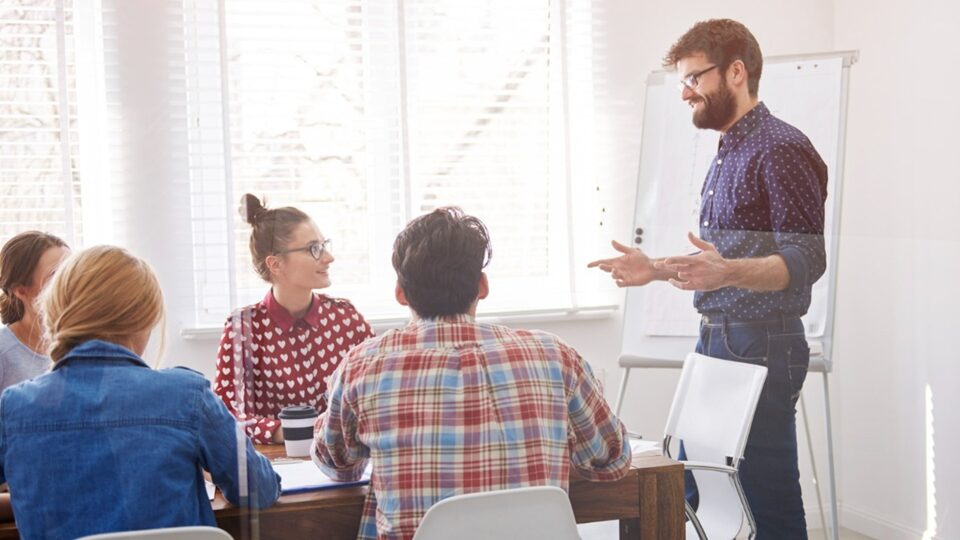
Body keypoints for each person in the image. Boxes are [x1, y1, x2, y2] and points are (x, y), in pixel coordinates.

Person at [588, 19, 827, 539]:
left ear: (736, 72)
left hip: (762, 342)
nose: (684, 92)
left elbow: (806, 258)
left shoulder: (781, 147)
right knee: (693, 489)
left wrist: (726, 272)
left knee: (768, 500)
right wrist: (653, 270)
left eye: (694, 78)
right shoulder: (728, 149)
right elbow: (722, 261)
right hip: (717, 337)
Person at [313, 207, 631, 540]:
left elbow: (338, 465)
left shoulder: (364, 365)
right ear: (482, 285)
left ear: (400, 293)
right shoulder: (554, 355)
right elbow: (610, 460)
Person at [0, 245, 280, 539]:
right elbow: (260, 490)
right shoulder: (187, 395)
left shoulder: (15, 408)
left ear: (56, 313)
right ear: (144, 320)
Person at [215, 194, 374, 444]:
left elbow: (377, 393)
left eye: (324, 245)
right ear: (276, 264)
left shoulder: (347, 319)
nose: (328, 257)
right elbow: (224, 415)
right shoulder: (243, 329)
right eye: (314, 249)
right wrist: (288, 432)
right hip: (275, 465)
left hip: (343, 461)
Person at [0, 231, 69, 392]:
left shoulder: (84, 346)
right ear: (21, 291)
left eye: (71, 272)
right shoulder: (3, 352)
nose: (70, 284)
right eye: (55, 276)